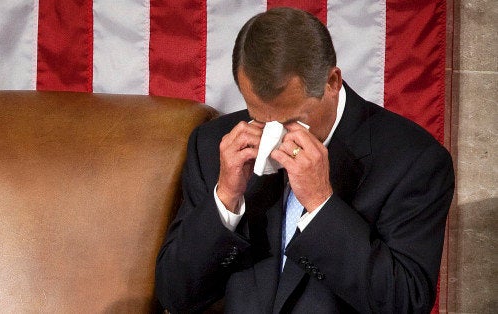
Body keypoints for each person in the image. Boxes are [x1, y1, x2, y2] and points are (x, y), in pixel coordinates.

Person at [154, 7, 454, 314]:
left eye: (291, 119)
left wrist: (322, 204)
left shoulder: (415, 162)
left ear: (332, 82)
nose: (273, 134)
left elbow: (405, 304)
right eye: (259, 117)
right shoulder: (211, 145)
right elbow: (175, 296)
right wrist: (226, 199)